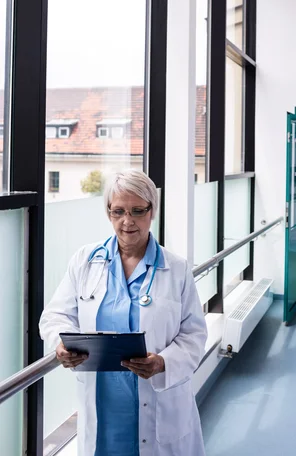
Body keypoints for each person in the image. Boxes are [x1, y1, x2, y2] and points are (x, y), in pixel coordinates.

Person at [39, 169, 208, 456]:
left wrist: (163, 363)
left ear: (152, 211)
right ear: (108, 213)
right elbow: (55, 316)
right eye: (118, 211)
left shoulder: (176, 269)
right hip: (103, 407)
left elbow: (194, 335)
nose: (127, 222)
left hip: (158, 401)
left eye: (137, 211)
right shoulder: (85, 261)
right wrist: (61, 344)